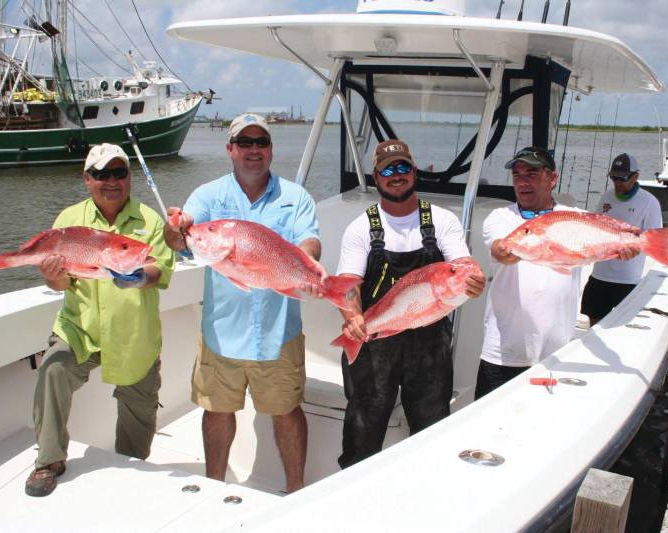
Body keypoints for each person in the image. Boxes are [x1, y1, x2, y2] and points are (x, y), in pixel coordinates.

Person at [164, 113, 320, 493]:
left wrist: (309, 264)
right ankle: (215, 486)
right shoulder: (208, 196)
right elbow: (182, 239)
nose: (254, 150)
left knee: (285, 411)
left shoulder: (295, 197)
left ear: (270, 149)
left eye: (261, 143)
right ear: (230, 148)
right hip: (221, 332)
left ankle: (295, 490)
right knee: (217, 411)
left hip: (278, 331)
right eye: (245, 143)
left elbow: (308, 240)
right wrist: (175, 231)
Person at [25, 143, 175, 497]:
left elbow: (160, 269)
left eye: (119, 173)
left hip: (133, 335)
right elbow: (61, 282)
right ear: (87, 179)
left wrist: (140, 276)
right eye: (102, 174)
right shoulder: (69, 220)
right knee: (53, 371)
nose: (112, 181)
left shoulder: (150, 220)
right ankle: (48, 461)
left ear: (129, 177)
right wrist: (52, 274)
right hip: (81, 329)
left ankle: (131, 465)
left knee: (139, 413)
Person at [335, 139, 485, 469]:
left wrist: (473, 280)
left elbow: (463, 264)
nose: (396, 175)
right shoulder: (360, 227)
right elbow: (348, 286)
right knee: (362, 432)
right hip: (376, 345)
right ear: (376, 178)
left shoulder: (443, 221)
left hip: (429, 347)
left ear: (414, 173)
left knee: (431, 431)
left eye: (403, 167)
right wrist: (354, 318)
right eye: (388, 170)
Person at [475, 146, 582, 399]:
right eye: (517, 175)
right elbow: (502, 251)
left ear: (552, 179)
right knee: (488, 427)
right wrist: (508, 247)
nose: (522, 182)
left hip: (557, 352)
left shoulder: (577, 219)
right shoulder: (501, 218)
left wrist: (626, 246)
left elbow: (609, 245)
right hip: (503, 353)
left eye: (531, 174)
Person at [580, 153, 661, 326]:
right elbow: (595, 226)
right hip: (599, 275)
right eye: (614, 177)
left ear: (635, 176)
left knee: (621, 327)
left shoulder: (649, 202)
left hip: (627, 280)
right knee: (593, 320)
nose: (618, 182)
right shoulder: (606, 197)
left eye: (622, 178)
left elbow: (655, 239)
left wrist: (634, 248)